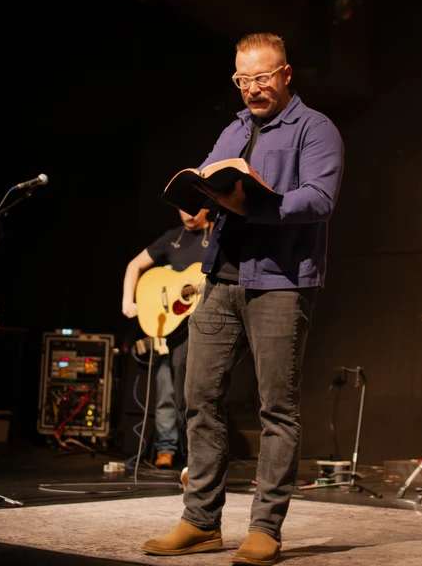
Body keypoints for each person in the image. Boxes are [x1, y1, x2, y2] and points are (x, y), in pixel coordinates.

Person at [142, 32, 344, 565]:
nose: (252, 88)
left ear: (285, 74)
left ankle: (265, 529)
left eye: (262, 77)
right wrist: (199, 196)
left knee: (277, 408)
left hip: (280, 282)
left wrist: (256, 204)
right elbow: (209, 177)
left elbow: (320, 198)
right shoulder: (233, 128)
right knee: (198, 398)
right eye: (242, 79)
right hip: (221, 279)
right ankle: (200, 521)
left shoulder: (315, 128)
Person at [122, 208, 211, 468]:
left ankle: (195, 451)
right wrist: (128, 301)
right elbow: (134, 265)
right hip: (171, 326)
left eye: (195, 208)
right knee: (165, 388)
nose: (189, 214)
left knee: (195, 391)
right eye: (184, 208)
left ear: (207, 207)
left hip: (202, 326)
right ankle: (166, 448)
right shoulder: (174, 237)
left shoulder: (217, 234)